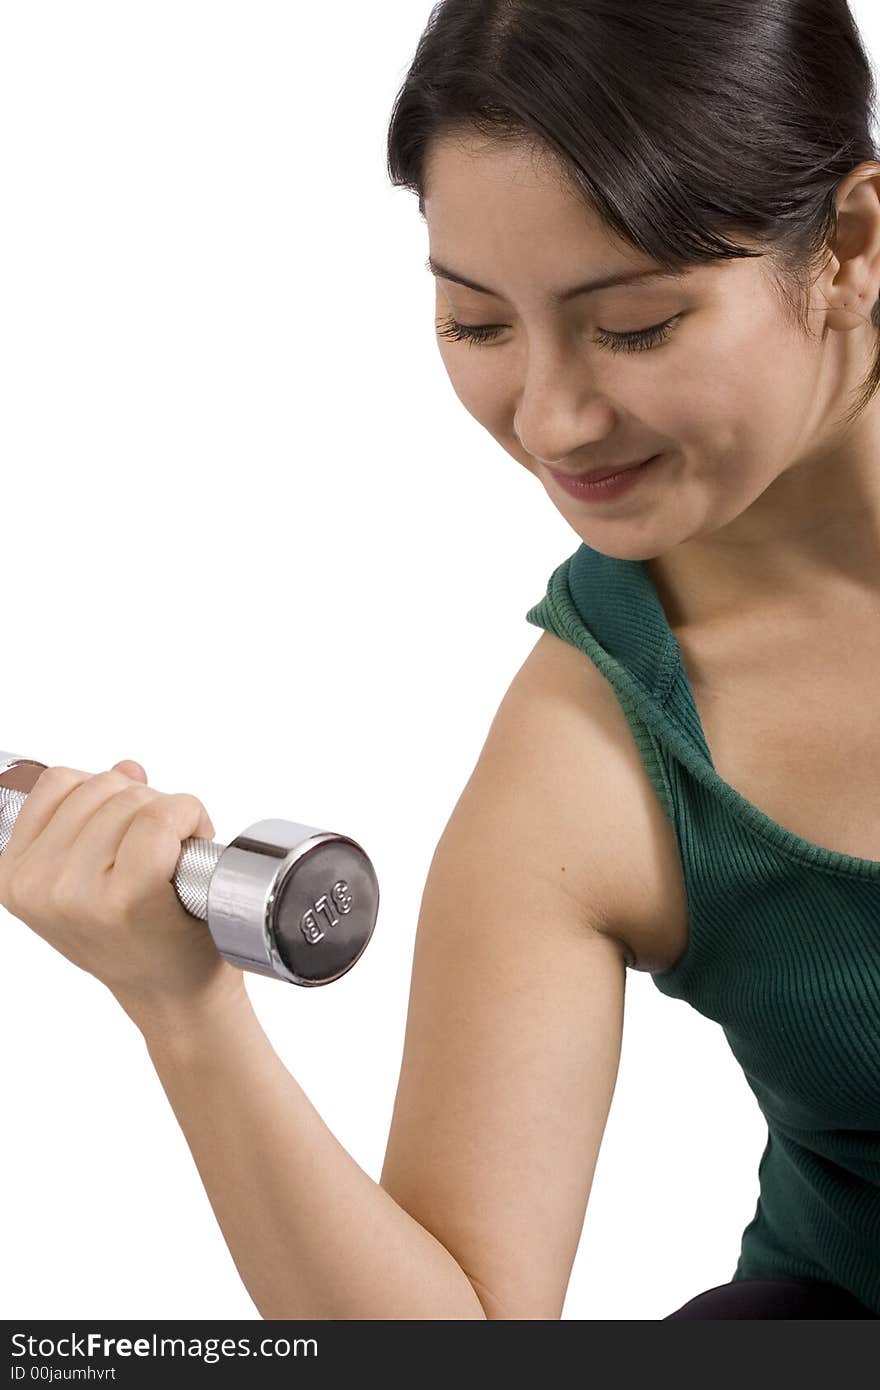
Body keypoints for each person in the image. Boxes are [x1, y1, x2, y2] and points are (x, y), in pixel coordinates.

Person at [2, 0, 879, 1320]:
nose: (552, 417)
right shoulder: (591, 756)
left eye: (633, 324)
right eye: (477, 324)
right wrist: (187, 1013)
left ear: (852, 250)